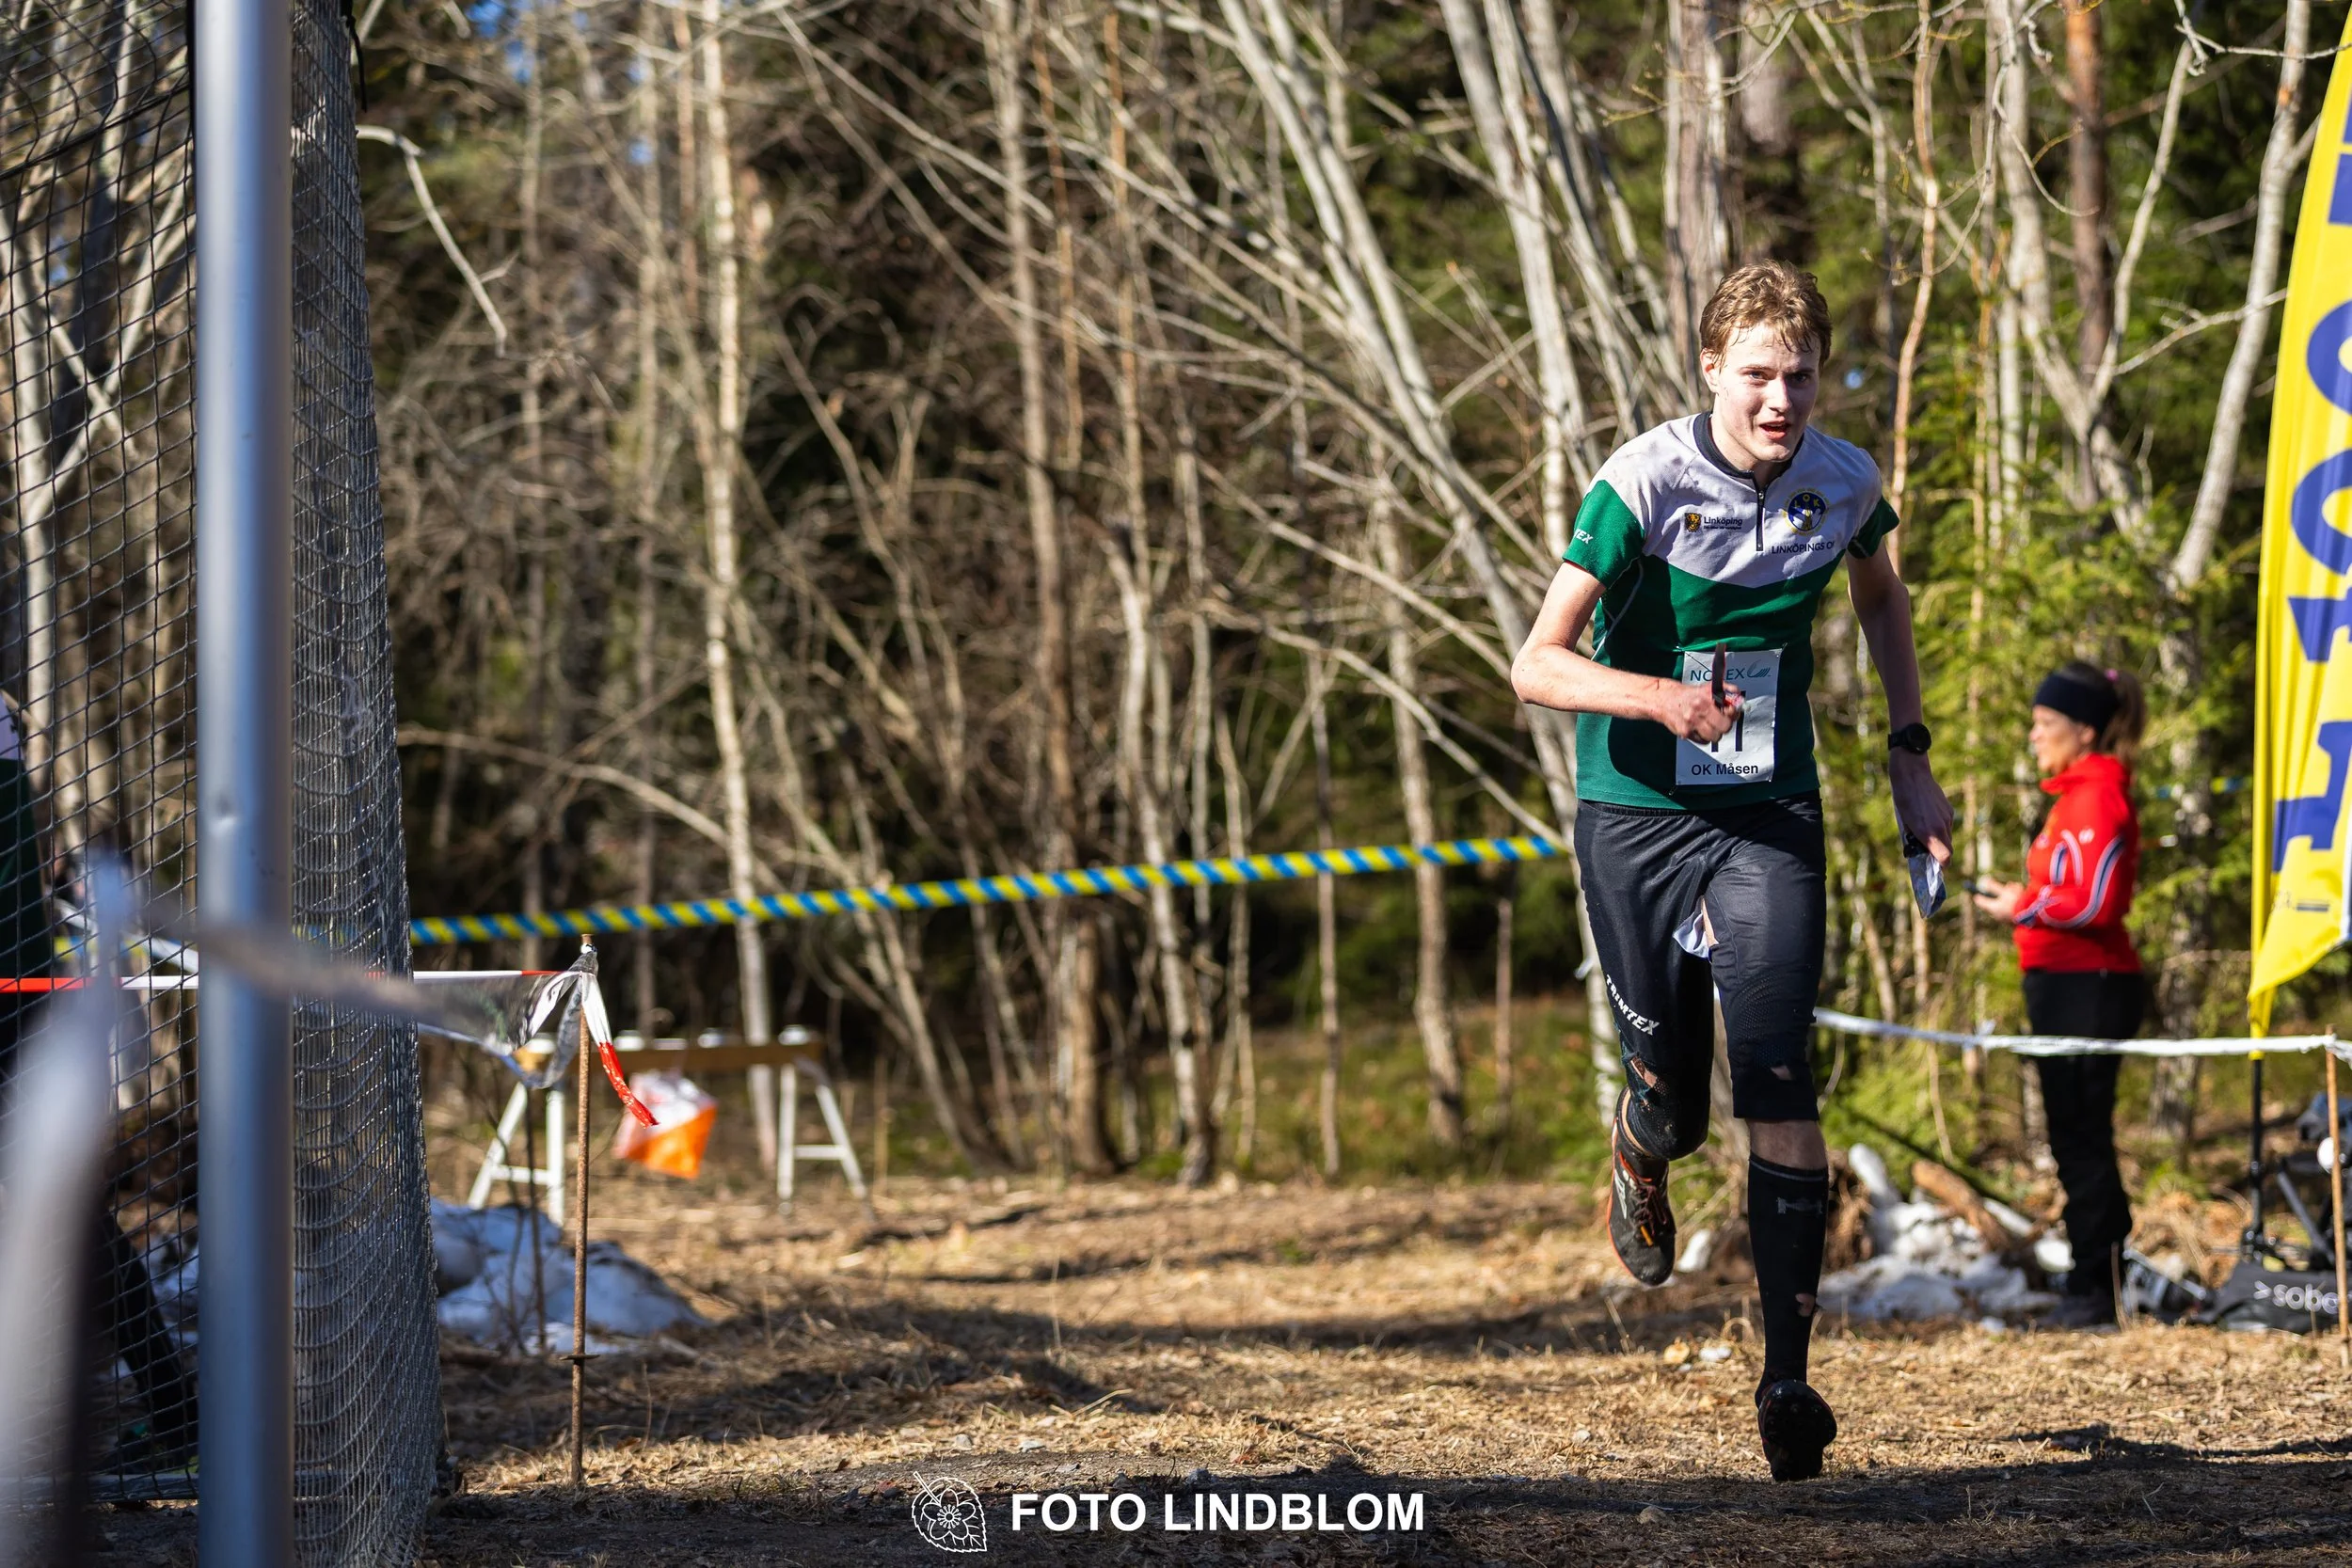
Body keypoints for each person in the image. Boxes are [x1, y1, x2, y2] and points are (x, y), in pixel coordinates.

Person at [1512, 262, 1952, 1482]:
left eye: (1800, 375)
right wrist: (1660, 696)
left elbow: (1881, 596)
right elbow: (1536, 665)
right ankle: (1642, 1137)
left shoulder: (1844, 480)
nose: (1780, 398)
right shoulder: (1643, 481)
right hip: (1638, 813)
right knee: (1683, 1097)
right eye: (1757, 374)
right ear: (1711, 368)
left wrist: (1910, 758)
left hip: (1769, 812)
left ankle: (1787, 1376)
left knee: (1778, 1078)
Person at [1970, 662, 2146, 1329]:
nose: (2032, 735)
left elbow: (2100, 900)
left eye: (2046, 724)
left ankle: (2096, 1288)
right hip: (2060, 982)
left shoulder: (2099, 796)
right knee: (2073, 1137)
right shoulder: (2072, 796)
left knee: (2082, 1138)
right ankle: (2094, 1273)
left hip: (2090, 985)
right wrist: (2022, 904)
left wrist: (2025, 902)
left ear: (2085, 730)